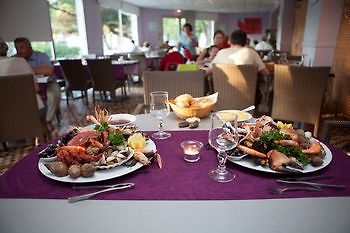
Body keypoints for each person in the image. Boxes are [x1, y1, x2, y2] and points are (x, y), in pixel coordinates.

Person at [13, 37, 60, 125]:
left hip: (48, 84)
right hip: (26, 87)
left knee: (54, 95)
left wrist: (25, 69)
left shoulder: (42, 56)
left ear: (29, 47)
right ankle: (29, 124)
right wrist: (38, 69)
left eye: (22, 47)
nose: (19, 51)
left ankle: (47, 122)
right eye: (16, 48)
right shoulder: (15, 59)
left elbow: (49, 71)